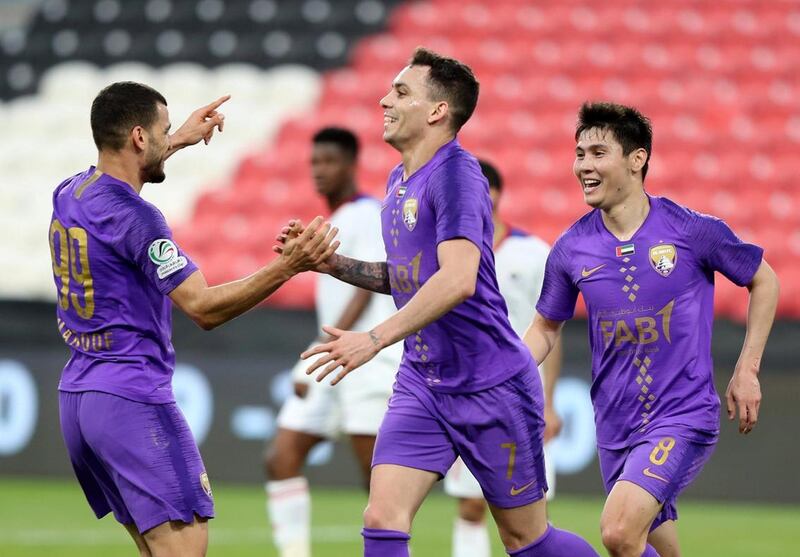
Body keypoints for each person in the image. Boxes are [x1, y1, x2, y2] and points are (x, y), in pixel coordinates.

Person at [292, 48, 599, 557]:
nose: (384, 99)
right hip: (423, 381)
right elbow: (412, 278)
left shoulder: (458, 174)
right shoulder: (397, 182)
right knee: (382, 518)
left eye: (401, 91)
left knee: (526, 540)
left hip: (491, 385)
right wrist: (333, 264)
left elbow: (458, 279)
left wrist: (374, 338)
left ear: (437, 111)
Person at [49, 81, 338, 557]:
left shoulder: (71, 192)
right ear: (140, 137)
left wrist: (177, 140)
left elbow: (115, 195)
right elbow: (202, 307)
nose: (170, 137)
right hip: (132, 396)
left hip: (79, 396)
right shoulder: (140, 219)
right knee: (184, 548)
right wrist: (290, 265)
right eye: (164, 131)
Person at [523, 101, 780, 557]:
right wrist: (507, 373)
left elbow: (764, 280)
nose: (583, 165)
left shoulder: (691, 230)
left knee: (618, 533)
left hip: (679, 416)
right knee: (649, 546)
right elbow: (546, 327)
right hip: (613, 423)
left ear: (637, 159)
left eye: (598, 153)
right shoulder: (571, 248)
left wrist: (747, 369)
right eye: (579, 154)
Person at [263, 127, 400, 557]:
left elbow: (368, 285)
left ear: (352, 166)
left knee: (376, 480)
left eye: (329, 161)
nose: (319, 171)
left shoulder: (366, 213)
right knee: (281, 456)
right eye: (314, 162)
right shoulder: (336, 219)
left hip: (366, 361)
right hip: (333, 358)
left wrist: (325, 349)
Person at [443, 159, 563, 557]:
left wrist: (549, 402)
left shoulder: (533, 254)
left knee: (530, 515)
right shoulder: (448, 253)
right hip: (466, 394)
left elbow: (551, 330)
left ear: (494, 195)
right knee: (470, 504)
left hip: (521, 396)